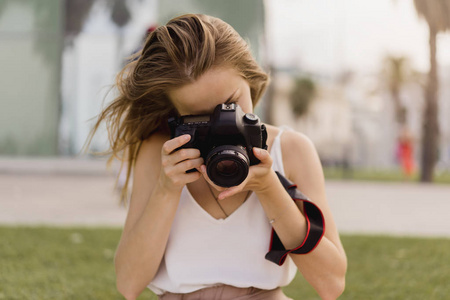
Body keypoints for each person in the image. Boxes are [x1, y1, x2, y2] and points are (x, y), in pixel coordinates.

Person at [86, 14, 347, 300]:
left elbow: (331, 283)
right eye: (200, 118)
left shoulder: (292, 150)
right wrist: (167, 188)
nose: (224, 125)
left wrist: (270, 189)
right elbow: (128, 284)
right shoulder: (161, 155)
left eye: (231, 105)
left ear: (249, 77)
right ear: (177, 119)